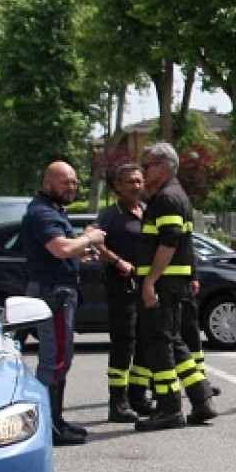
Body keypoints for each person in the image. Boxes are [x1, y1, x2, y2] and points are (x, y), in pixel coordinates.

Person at [133, 142, 218, 432]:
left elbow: (169, 243)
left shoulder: (167, 199)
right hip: (173, 282)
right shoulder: (172, 196)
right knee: (174, 342)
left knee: (159, 344)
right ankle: (202, 399)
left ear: (164, 167)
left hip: (164, 282)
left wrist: (150, 280)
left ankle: (169, 409)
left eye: (148, 166)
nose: (144, 171)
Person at [22, 161, 106, 446]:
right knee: (54, 360)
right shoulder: (43, 213)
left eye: (73, 183)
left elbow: (61, 251)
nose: (71, 187)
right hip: (53, 293)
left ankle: (55, 420)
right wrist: (88, 238)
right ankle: (49, 427)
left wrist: (78, 254)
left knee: (61, 359)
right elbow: (60, 248)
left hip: (59, 290)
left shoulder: (50, 210)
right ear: (48, 184)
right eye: (65, 183)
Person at [93, 162, 153, 423]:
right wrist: (117, 261)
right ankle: (117, 403)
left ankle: (138, 397)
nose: (136, 186)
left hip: (146, 286)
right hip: (122, 287)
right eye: (130, 182)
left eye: (139, 181)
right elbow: (92, 238)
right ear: (118, 186)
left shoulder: (147, 211)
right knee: (124, 342)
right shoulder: (111, 214)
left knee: (144, 341)